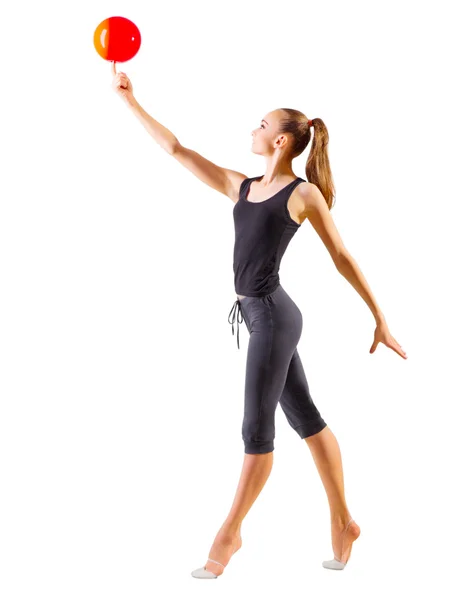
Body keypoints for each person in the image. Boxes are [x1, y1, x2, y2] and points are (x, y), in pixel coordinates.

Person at [111, 62, 408, 577]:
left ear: (284, 142)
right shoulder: (241, 186)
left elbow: (342, 256)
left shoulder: (302, 194)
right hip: (258, 315)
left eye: (263, 125)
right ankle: (344, 522)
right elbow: (177, 149)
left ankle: (229, 534)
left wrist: (379, 317)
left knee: (256, 427)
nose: (254, 129)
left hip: (273, 317)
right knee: (308, 420)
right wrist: (130, 100)